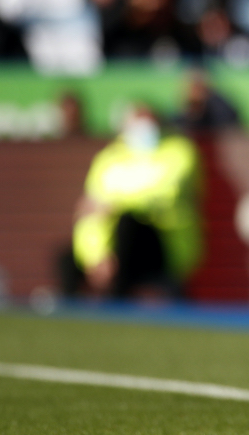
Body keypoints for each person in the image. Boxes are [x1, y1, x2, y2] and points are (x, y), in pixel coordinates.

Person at [58, 103, 203, 299]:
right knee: (66, 259)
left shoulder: (179, 152)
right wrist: (96, 256)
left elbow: (168, 194)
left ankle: (117, 308)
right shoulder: (108, 159)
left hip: (164, 243)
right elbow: (90, 215)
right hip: (115, 247)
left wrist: (115, 205)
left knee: (128, 223)